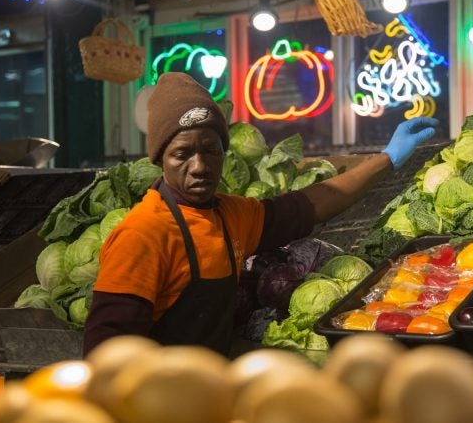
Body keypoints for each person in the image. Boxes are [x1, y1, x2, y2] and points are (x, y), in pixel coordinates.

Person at [82, 72, 437, 356]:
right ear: (159, 159)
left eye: (211, 150)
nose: (200, 166)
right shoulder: (142, 234)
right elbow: (107, 355)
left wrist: (387, 159)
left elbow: (312, 204)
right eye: (182, 154)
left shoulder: (232, 216)